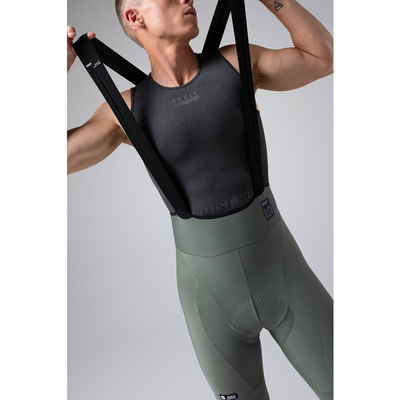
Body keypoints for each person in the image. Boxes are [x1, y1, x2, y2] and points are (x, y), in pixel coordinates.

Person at [67, 0, 333, 399]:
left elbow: (323, 57)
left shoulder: (237, 64)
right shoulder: (126, 110)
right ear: (135, 17)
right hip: (210, 302)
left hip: (283, 272)